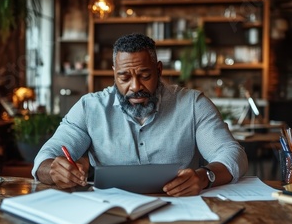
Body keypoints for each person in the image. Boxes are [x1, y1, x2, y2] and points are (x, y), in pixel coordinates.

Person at [32, 33, 248, 196]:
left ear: (159, 70)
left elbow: (231, 153)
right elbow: (45, 157)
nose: (135, 87)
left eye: (145, 75)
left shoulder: (192, 104)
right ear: (114, 74)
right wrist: (53, 169)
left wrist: (204, 177)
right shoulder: (90, 107)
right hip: (109, 211)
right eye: (124, 77)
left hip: (180, 208)